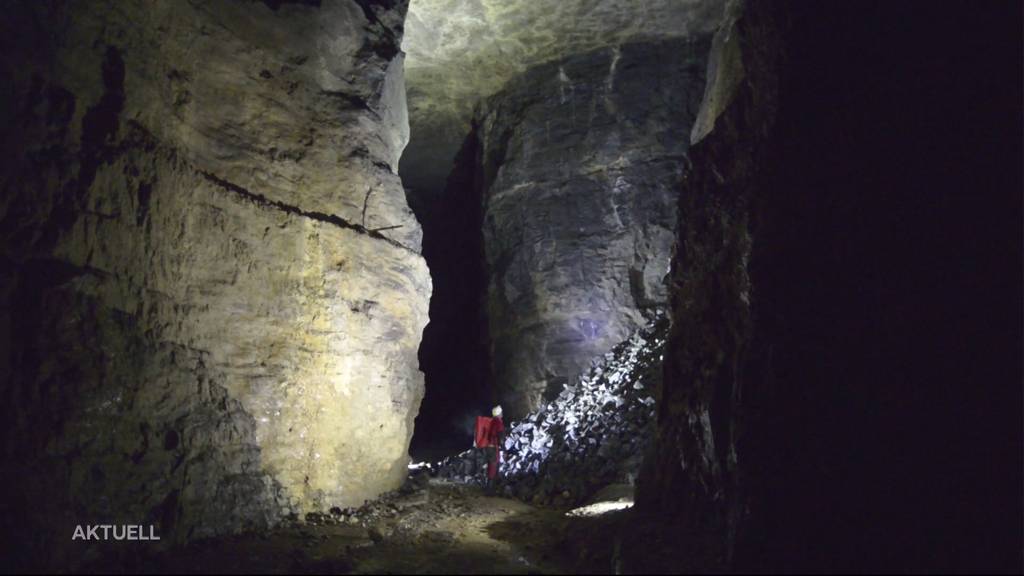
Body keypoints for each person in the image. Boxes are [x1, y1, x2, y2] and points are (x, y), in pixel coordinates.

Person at [482, 405, 505, 493]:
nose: (502, 414)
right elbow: (500, 435)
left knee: (491, 466)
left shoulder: (492, 422)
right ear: (499, 413)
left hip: (488, 447)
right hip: (493, 447)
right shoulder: (498, 422)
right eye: (501, 412)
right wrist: (503, 447)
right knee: (493, 466)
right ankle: (489, 490)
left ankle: (490, 488)